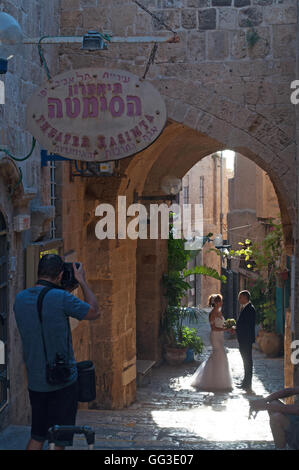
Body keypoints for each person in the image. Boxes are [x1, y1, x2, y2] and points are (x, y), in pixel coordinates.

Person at [14, 254, 100, 451]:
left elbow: (42, 309)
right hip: (63, 382)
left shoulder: (19, 299)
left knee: (38, 435)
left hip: (36, 380)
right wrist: (82, 281)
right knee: (59, 438)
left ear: (39, 273)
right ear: (61, 274)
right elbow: (95, 311)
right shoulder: (62, 298)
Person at [190, 294, 233, 392]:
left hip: (220, 337)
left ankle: (219, 379)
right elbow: (213, 328)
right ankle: (214, 381)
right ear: (216, 303)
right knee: (220, 354)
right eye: (220, 301)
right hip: (215, 336)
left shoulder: (219, 312)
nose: (222, 303)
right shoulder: (212, 314)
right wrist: (226, 328)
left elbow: (222, 324)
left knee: (219, 356)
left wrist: (229, 327)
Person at [236, 290, 256, 392]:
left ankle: (248, 383)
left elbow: (247, 326)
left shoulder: (250, 309)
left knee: (247, 361)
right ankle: (245, 382)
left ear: (245, 297)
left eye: (240, 297)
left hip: (246, 340)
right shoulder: (245, 308)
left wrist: (236, 328)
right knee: (245, 361)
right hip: (243, 339)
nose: (238, 299)